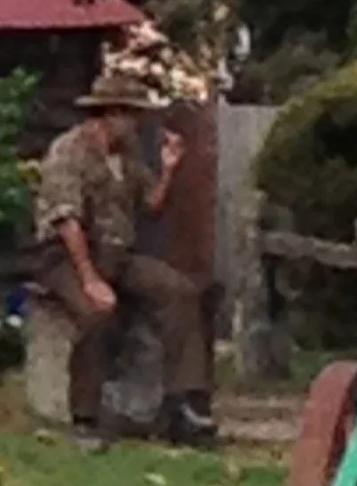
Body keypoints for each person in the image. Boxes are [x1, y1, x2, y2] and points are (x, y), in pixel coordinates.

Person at [30, 70, 218, 448]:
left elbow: (150, 205)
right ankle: (84, 416)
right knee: (96, 311)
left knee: (179, 291)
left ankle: (183, 402)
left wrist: (168, 168)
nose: (137, 124)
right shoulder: (69, 152)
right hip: (68, 255)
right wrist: (90, 279)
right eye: (132, 115)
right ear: (110, 114)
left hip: (118, 253)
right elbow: (67, 222)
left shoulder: (126, 156)